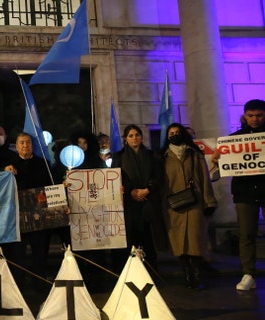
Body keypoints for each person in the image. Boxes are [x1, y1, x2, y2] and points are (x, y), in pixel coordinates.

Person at [161, 123, 217, 289]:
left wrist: (209, 201)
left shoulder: (194, 154)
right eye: (171, 133)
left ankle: (196, 273)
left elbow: (205, 178)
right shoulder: (162, 156)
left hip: (195, 201)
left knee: (195, 239)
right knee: (178, 242)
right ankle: (186, 272)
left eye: (177, 132)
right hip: (173, 205)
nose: (174, 135)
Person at [220, 99, 265, 291]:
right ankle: (248, 274)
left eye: (259, 115)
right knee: (246, 234)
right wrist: (217, 157)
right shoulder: (234, 139)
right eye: (251, 115)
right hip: (244, 193)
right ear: (245, 116)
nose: (255, 119)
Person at [111, 125, 167, 273]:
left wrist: (147, 189)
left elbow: (159, 176)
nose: (134, 138)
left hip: (149, 202)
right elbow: (115, 178)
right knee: (131, 238)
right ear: (125, 139)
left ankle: (151, 272)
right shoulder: (118, 157)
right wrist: (131, 191)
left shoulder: (152, 155)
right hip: (129, 205)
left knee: (149, 240)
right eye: (131, 135)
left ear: (141, 137)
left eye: (137, 135)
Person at [4, 133, 56, 291]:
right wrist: (4, 171)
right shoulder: (9, 164)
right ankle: (18, 285)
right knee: (17, 252)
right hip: (17, 216)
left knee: (40, 251)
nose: (25, 145)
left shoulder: (44, 164)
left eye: (28, 142)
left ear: (32, 145)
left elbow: (51, 187)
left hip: (39, 215)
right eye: (21, 143)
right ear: (16, 146)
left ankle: (39, 282)